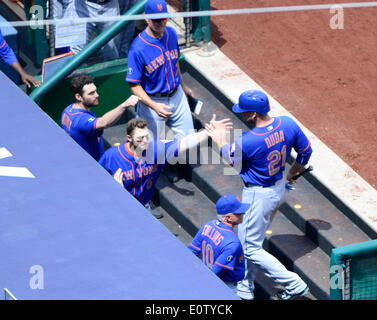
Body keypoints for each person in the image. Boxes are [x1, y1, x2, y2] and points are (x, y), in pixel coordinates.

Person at [206, 89, 313, 300]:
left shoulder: (249, 140)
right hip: (279, 188)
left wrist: (219, 137)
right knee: (251, 242)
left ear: (253, 114)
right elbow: (306, 152)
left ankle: (294, 283)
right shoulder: (288, 123)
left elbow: (230, 158)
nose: (242, 115)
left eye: (244, 111)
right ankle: (245, 290)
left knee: (248, 247)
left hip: (258, 196)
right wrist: (292, 173)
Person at [98, 115, 232, 218]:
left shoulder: (155, 149)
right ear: (129, 138)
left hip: (143, 208)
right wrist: (113, 189)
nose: (145, 142)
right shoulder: (112, 156)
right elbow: (95, 182)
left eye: (146, 137)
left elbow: (184, 143)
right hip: (117, 209)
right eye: (140, 138)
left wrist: (208, 132)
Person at [126, 0, 195, 142]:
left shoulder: (171, 33)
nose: (160, 23)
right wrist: (153, 105)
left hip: (177, 96)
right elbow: (134, 85)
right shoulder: (138, 48)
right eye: (156, 20)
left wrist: (184, 86)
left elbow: (174, 62)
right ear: (147, 18)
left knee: (189, 142)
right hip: (152, 101)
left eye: (163, 18)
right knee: (150, 148)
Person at [61, 73, 139, 161]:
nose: (97, 95)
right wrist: (125, 105)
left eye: (95, 91)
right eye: (91, 93)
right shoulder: (81, 120)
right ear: (78, 97)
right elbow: (103, 123)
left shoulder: (68, 110)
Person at [188, 194, 249, 293]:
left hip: (206, 277)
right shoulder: (232, 243)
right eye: (239, 212)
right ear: (228, 217)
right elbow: (215, 271)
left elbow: (190, 251)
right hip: (223, 286)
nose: (243, 213)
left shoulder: (208, 225)